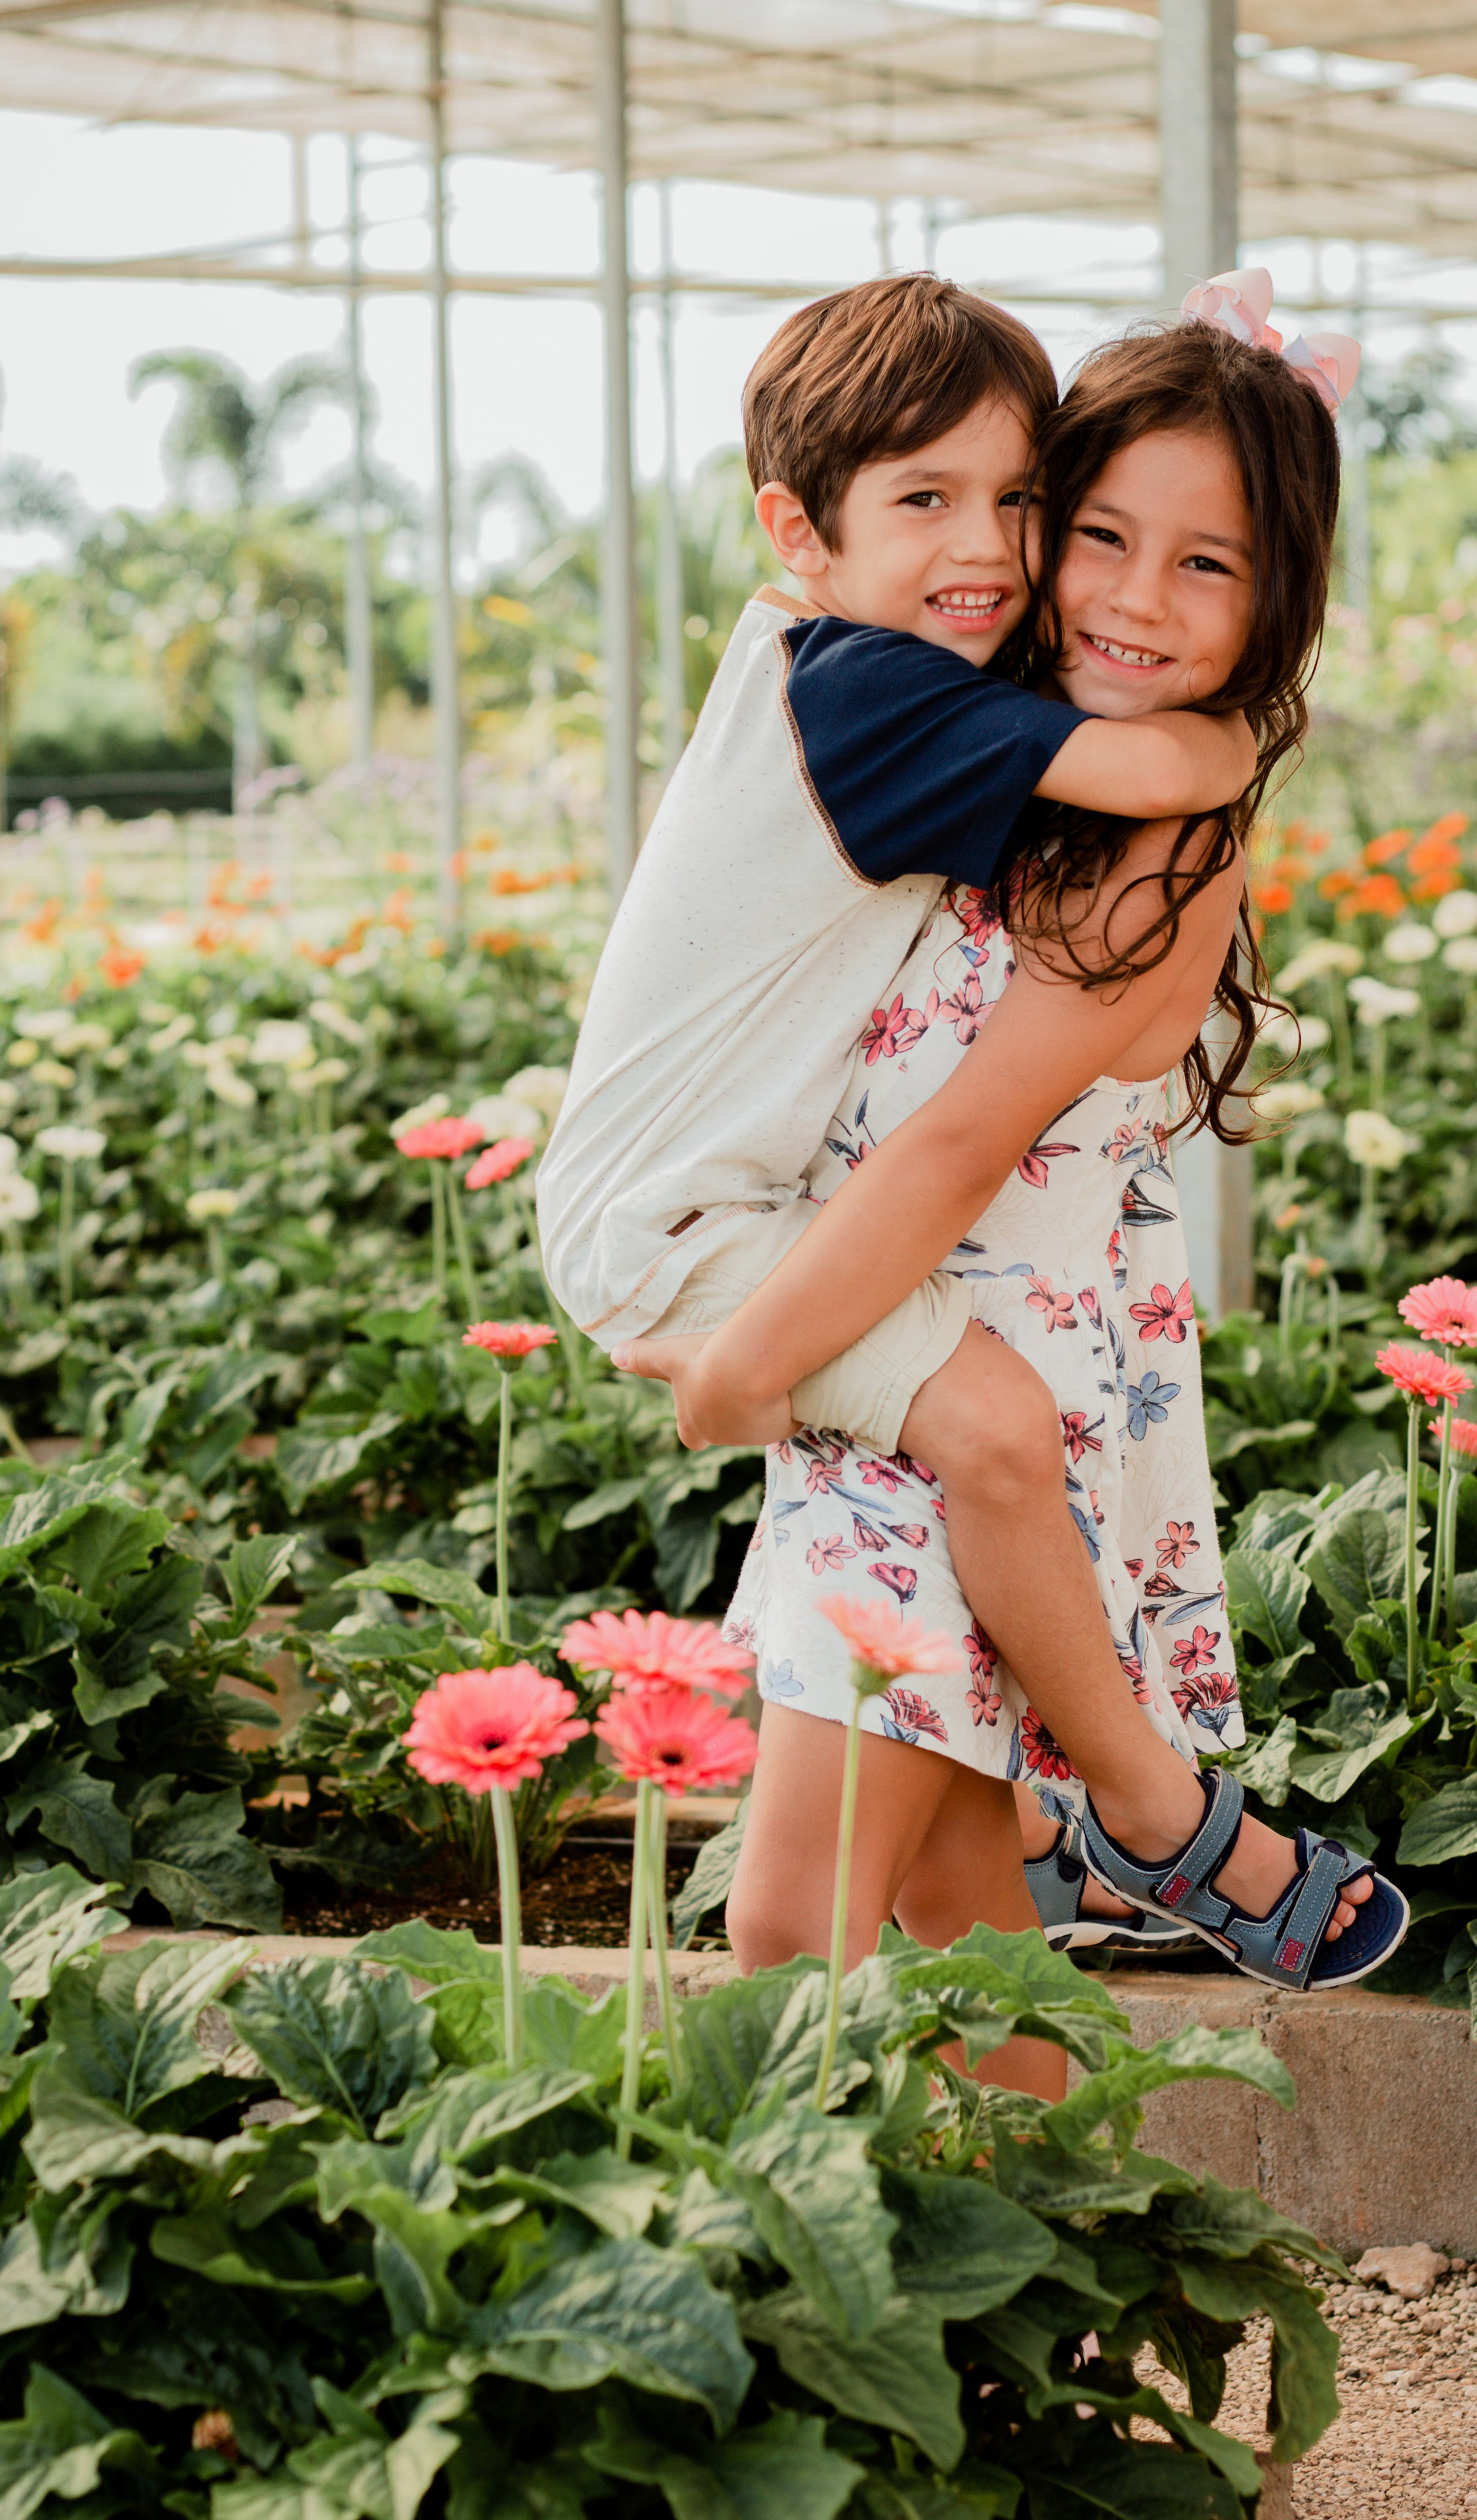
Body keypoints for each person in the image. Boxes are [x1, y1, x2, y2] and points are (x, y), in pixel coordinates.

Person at [619, 275, 1407, 2092]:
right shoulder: (987, 741)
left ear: (1274, 596)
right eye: (1100, 532)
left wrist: (745, 1365)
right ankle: (1049, 2285)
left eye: (1205, 567)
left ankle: (836, 2276)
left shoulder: (1153, 843)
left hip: (980, 1395)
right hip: (902, 1373)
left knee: (788, 1917)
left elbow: (959, 1146)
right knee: (957, 1907)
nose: (1133, 595)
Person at [537, 275, 1256, 1973]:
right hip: (692, 1232)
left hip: (706, 1201)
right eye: (925, 501)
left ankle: (1024, 1842)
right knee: (994, 1424)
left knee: (952, 1904)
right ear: (800, 530)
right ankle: (1143, 1803)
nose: (991, 550)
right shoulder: (868, 689)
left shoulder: (839, 665)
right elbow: (1154, 772)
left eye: (1019, 500)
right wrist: (1242, 720)